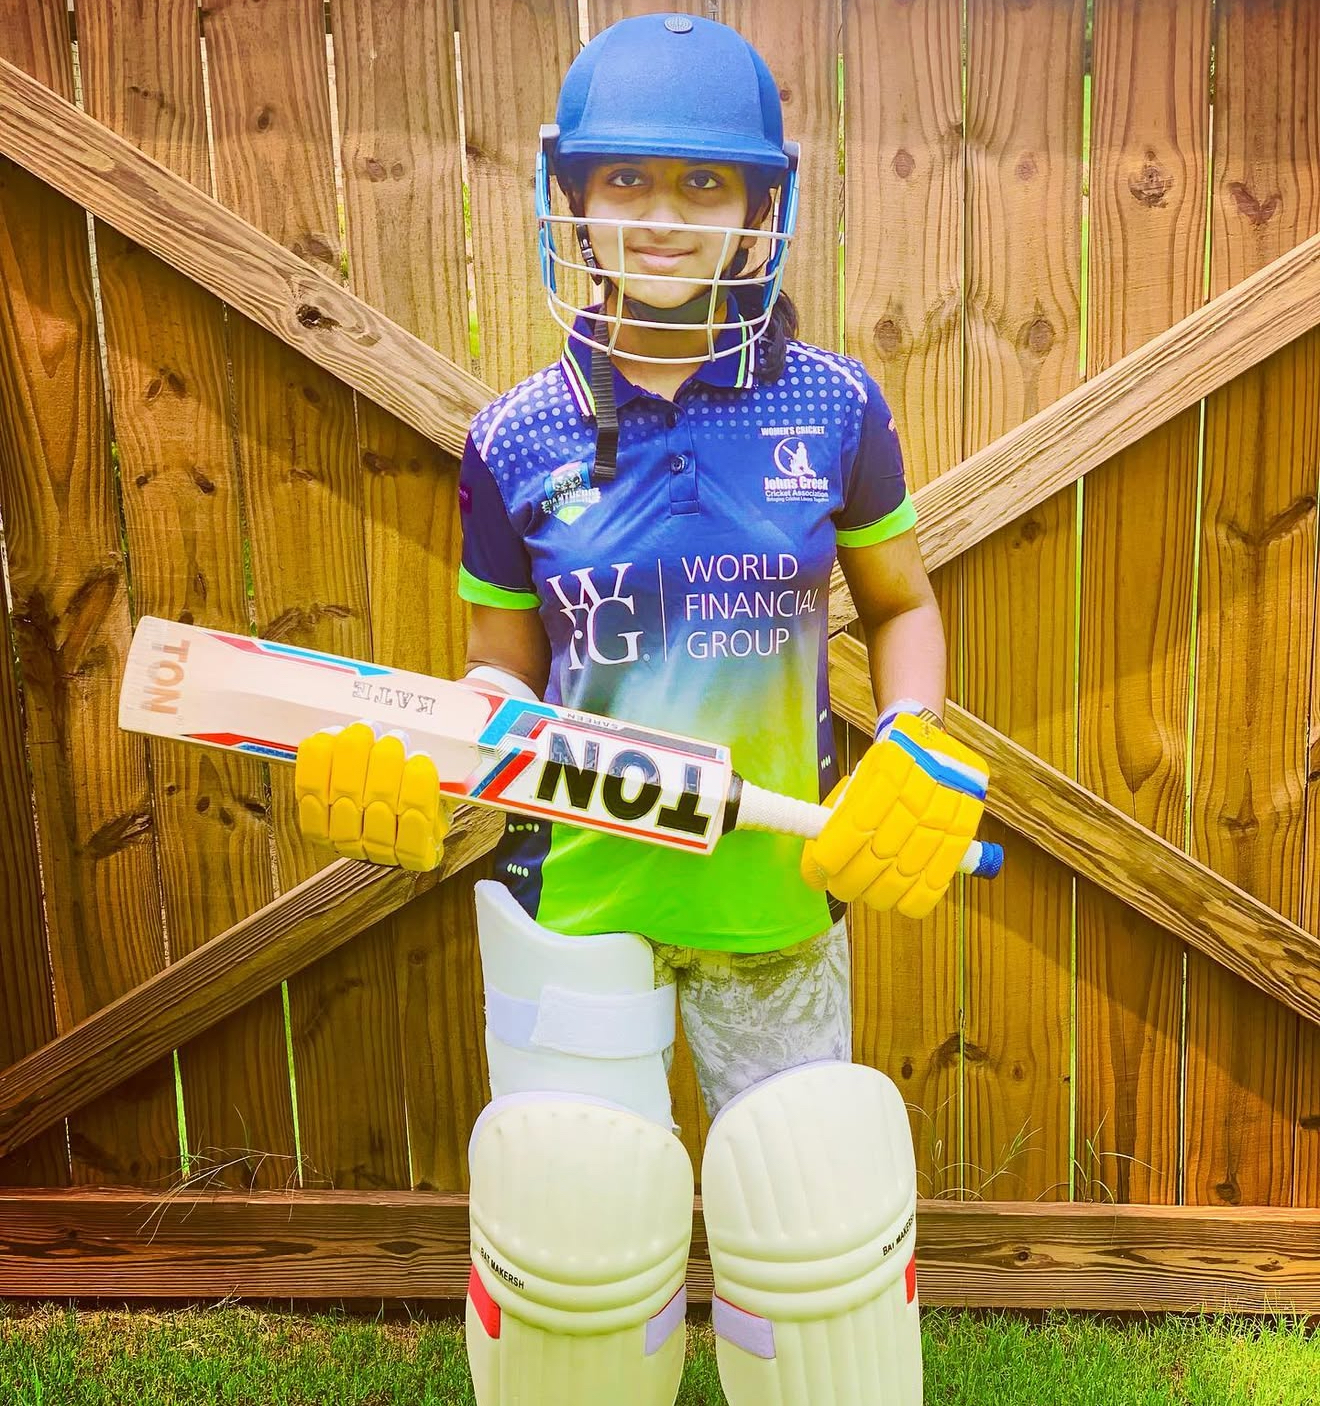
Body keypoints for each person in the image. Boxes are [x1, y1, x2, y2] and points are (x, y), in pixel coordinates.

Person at [294, 13, 990, 1405]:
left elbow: (901, 605)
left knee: (815, 1218)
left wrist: (912, 740)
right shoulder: (515, 437)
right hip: (582, 894)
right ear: (573, 195)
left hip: (771, 897)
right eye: (625, 182)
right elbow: (501, 671)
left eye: (700, 185)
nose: (660, 218)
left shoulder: (835, 406)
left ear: (758, 210)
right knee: (575, 1222)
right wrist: (422, 756)